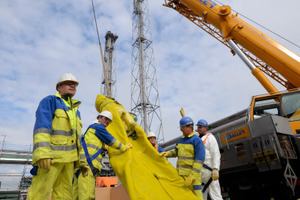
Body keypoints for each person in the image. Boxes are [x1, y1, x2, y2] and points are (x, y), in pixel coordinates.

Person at [28, 73, 82, 200]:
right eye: (69, 83)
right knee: (40, 193)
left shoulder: (76, 111)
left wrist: (80, 161)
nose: (73, 86)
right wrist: (43, 153)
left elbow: (78, 140)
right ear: (59, 87)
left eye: (74, 84)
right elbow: (42, 127)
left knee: (65, 195)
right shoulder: (50, 101)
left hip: (69, 161)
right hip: (51, 158)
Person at [73, 111, 132, 200]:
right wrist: (124, 147)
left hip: (82, 167)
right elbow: (111, 140)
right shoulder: (98, 127)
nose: (107, 122)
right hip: (88, 167)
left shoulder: (91, 133)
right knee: (88, 196)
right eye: (105, 118)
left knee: (76, 195)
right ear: (99, 118)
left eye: (109, 121)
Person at [160, 116, 205, 199]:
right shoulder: (180, 140)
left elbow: (199, 161)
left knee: (197, 197)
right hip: (181, 176)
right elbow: (176, 152)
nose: (181, 130)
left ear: (190, 127)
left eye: (182, 128)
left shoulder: (197, 141)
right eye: (180, 128)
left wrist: (192, 176)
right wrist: (167, 154)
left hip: (193, 178)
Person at [196, 119, 223, 200]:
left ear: (206, 128)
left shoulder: (210, 138)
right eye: (198, 127)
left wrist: (215, 168)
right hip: (200, 173)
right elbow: (190, 134)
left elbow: (216, 154)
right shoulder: (197, 139)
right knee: (201, 196)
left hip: (210, 171)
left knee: (215, 195)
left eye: (201, 127)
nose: (199, 128)